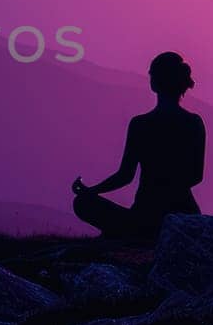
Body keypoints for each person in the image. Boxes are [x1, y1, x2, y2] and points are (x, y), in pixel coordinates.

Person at [72, 51, 205, 240]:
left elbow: (125, 176)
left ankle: (122, 235)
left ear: (154, 83)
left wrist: (91, 191)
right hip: (185, 217)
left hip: (145, 217)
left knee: (83, 203)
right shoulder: (194, 122)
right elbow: (196, 176)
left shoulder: (141, 124)